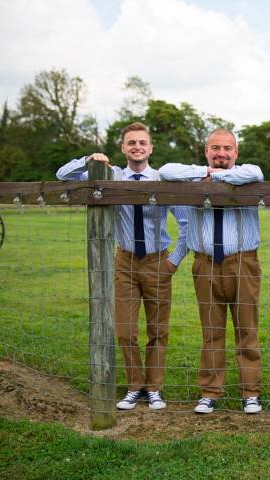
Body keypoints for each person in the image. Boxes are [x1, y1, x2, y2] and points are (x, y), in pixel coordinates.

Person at [56, 122, 188, 411]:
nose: (137, 147)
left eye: (142, 142)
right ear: (123, 148)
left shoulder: (162, 180)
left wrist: (173, 262)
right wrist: (89, 160)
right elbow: (62, 175)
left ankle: (154, 389)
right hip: (125, 261)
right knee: (125, 330)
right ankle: (134, 386)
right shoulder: (111, 175)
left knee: (158, 330)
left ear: (150, 148)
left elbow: (186, 223)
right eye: (131, 143)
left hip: (157, 261)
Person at [160, 129, 264, 415]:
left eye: (227, 148)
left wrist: (217, 177)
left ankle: (250, 392)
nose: (221, 153)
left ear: (236, 152)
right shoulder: (192, 176)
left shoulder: (246, 174)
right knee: (211, 331)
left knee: (247, 329)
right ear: (206, 151)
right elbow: (166, 171)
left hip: (242, 262)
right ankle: (210, 391)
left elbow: (256, 172)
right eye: (215, 148)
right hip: (204, 263)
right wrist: (203, 173)